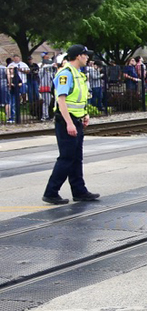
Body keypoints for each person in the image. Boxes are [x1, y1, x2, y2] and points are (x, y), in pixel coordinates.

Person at [42, 45, 100, 205]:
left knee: (76, 158)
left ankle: (79, 191)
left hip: (76, 120)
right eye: (85, 55)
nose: (87, 58)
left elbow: (78, 99)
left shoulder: (78, 75)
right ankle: (51, 192)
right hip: (66, 121)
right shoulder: (66, 74)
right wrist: (69, 123)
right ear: (77, 56)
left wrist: (84, 114)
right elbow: (61, 100)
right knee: (66, 158)